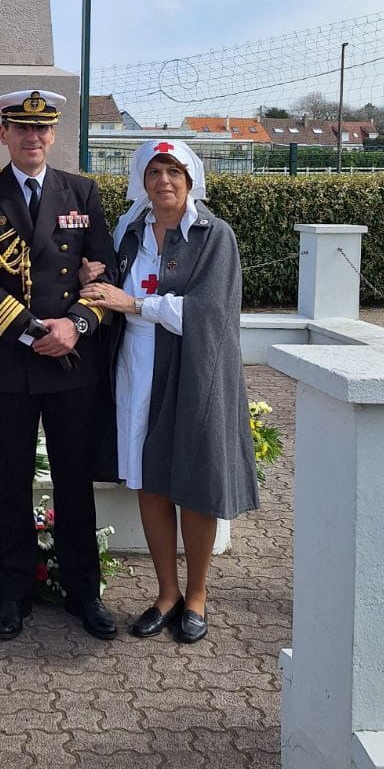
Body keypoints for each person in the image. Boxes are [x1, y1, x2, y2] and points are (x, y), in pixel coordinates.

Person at [80, 137, 259, 644]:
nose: (164, 181)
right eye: (154, 172)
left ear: (190, 179)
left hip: (191, 368)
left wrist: (136, 305)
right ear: (142, 180)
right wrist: (94, 276)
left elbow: (208, 312)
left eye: (173, 172)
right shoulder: (130, 232)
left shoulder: (213, 235)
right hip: (135, 367)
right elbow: (110, 287)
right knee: (149, 479)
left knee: (193, 478)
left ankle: (196, 595)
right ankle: (166, 593)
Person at [0, 89, 119, 641]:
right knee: (11, 480)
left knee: (74, 480)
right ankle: (12, 592)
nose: (32, 137)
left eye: (42, 128)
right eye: (21, 128)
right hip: (9, 360)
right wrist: (31, 331)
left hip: (72, 361)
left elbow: (105, 271)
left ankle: (83, 591)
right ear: (3, 133)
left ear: (53, 134)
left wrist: (75, 325)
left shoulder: (82, 191)